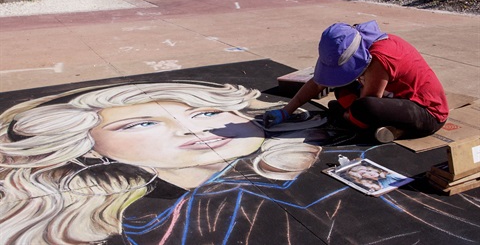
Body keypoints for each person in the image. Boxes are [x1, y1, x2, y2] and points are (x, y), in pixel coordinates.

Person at [0, 82, 323, 244]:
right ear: (88, 149)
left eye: (207, 113)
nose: (190, 128)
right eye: (141, 123)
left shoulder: (310, 179)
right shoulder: (139, 223)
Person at [264, 20, 449, 143]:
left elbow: (370, 103)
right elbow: (318, 82)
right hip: (394, 99)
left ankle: (345, 116)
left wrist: (345, 113)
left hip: (427, 113)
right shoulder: (359, 42)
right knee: (341, 88)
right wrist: (286, 111)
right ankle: (351, 117)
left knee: (364, 109)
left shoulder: (380, 57)